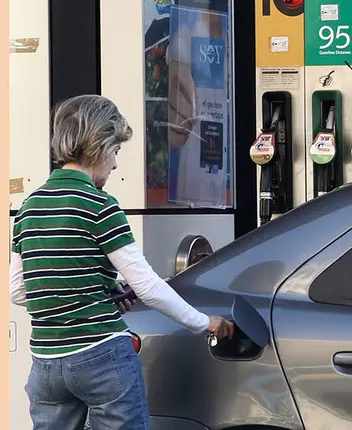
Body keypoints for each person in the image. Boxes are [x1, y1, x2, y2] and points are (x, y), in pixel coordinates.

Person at [9, 94, 234, 430]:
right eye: (115, 151)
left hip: (45, 365)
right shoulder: (100, 206)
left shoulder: (29, 207)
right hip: (101, 356)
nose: (115, 165)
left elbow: (18, 291)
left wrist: (103, 290)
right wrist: (205, 322)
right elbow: (147, 285)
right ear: (98, 147)